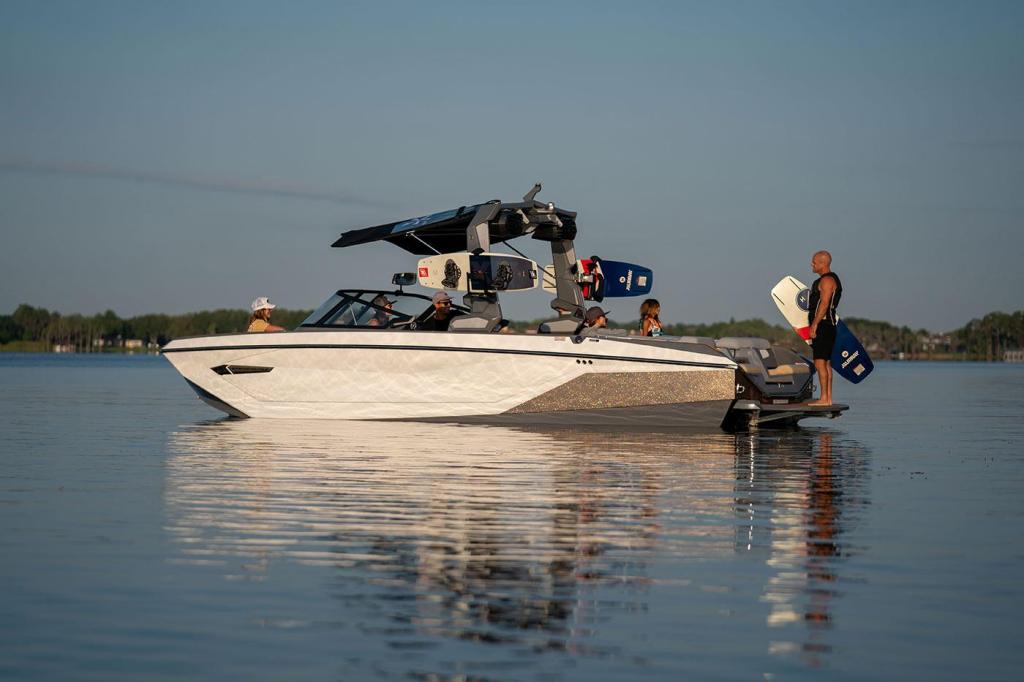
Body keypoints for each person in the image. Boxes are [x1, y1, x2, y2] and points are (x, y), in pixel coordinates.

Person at [807, 250, 842, 406]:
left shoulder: (827, 280)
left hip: (824, 326)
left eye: (814, 262)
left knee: (820, 363)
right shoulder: (827, 279)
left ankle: (824, 398)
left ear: (822, 263)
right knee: (826, 363)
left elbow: (825, 303)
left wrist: (814, 324)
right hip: (827, 326)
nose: (811, 264)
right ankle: (827, 398)